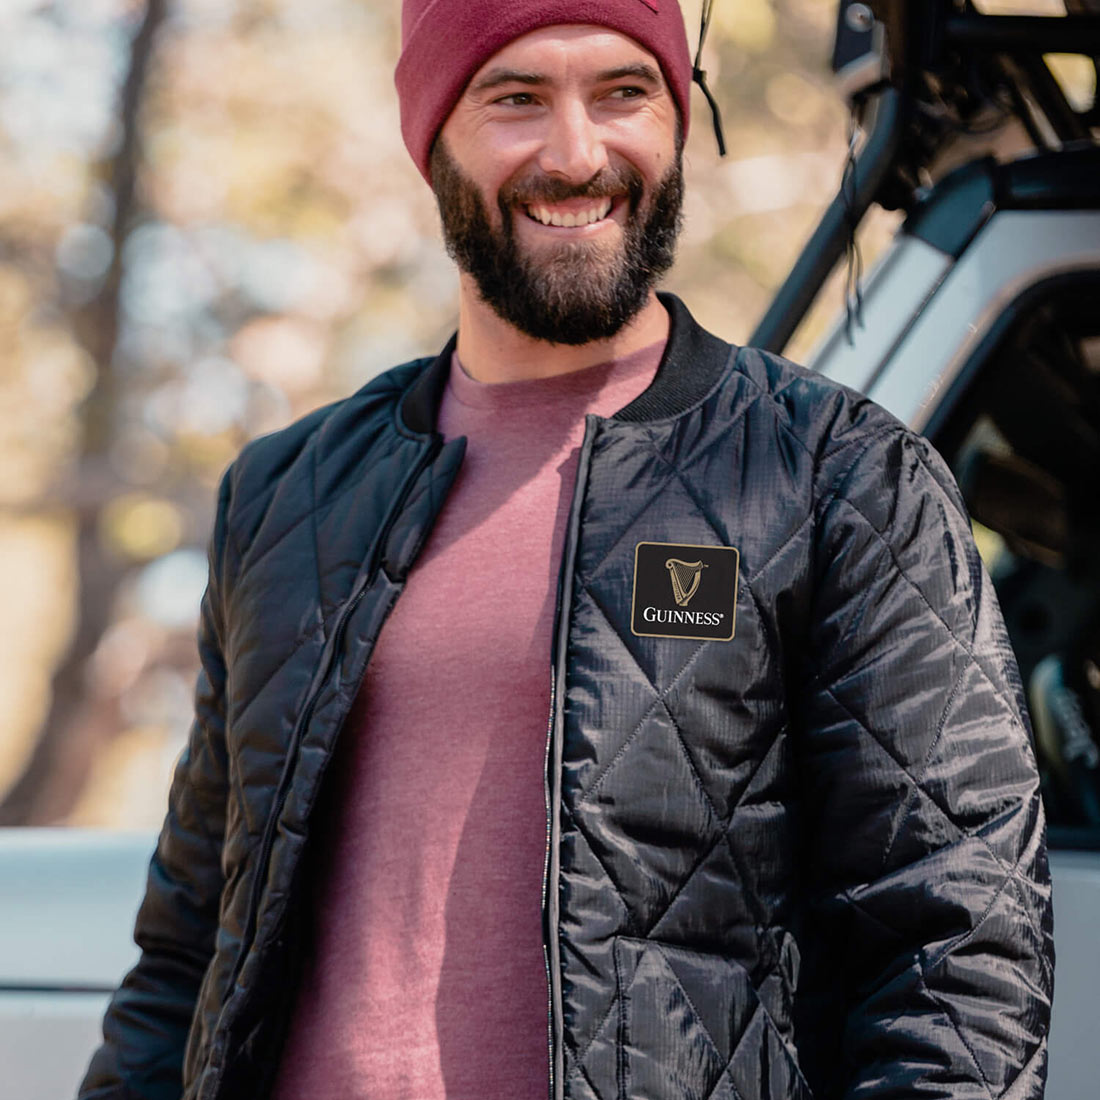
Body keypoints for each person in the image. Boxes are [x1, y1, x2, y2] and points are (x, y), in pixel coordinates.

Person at [78, 2, 1054, 1099]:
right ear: (432, 135)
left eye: (622, 92)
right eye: (516, 98)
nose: (578, 153)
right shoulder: (286, 496)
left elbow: (955, 961)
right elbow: (187, 954)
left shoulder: (837, 478)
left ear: (677, 121)